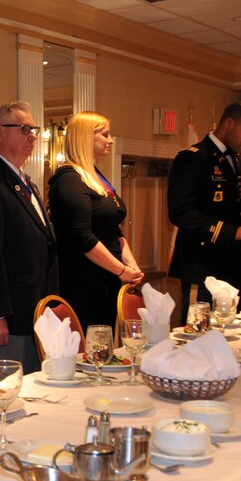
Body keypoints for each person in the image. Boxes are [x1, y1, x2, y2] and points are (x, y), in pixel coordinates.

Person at [0, 101, 59, 383]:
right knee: (5, 396)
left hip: (35, 313)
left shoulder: (26, 182)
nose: (32, 136)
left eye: (34, 130)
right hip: (9, 317)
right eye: (24, 128)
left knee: (35, 397)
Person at [47, 111, 143, 329]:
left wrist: (130, 263)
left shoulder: (95, 176)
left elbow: (113, 228)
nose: (110, 140)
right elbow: (82, 236)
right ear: (86, 137)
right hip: (84, 282)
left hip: (107, 278)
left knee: (104, 342)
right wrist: (121, 270)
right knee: (88, 348)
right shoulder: (69, 180)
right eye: (105, 134)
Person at [168, 101, 241, 315]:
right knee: (197, 338)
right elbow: (180, 212)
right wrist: (232, 232)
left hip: (232, 267)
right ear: (229, 123)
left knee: (231, 339)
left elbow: (235, 211)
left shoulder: (235, 161)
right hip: (202, 267)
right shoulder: (193, 157)